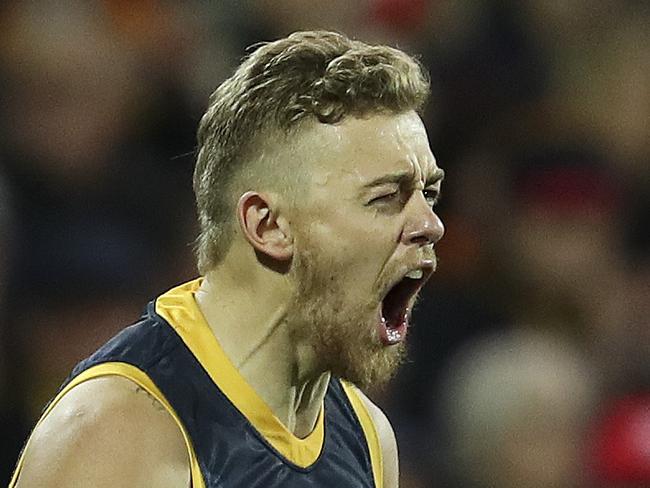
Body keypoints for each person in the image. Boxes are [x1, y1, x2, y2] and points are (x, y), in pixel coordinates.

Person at [10, 30, 444, 488]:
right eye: (385, 197)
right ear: (267, 226)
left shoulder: (368, 437)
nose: (430, 224)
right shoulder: (119, 434)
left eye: (429, 193)